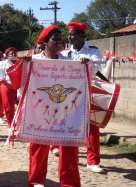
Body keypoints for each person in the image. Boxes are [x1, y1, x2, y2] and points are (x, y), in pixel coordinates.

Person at [26, 25, 80, 187]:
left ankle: (69, 183)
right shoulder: (34, 61)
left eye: (61, 39)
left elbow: (82, 79)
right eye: (55, 39)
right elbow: (18, 81)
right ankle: (36, 181)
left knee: (69, 146)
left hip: (64, 111)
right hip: (41, 110)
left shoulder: (69, 62)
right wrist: (22, 65)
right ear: (44, 44)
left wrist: (84, 65)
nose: (60, 42)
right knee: (39, 144)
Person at [62, 21, 104, 173]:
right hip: (67, 95)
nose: (69, 37)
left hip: (86, 92)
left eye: (72, 34)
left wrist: (89, 63)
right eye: (69, 34)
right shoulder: (65, 53)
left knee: (92, 126)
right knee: (64, 123)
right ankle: (62, 151)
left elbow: (98, 68)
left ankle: (93, 161)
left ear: (81, 36)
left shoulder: (93, 51)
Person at [0, 47, 17, 128]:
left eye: (14, 53)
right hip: (7, 86)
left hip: (18, 87)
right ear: (7, 55)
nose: (13, 54)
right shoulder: (4, 63)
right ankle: (11, 125)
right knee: (8, 106)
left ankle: (18, 123)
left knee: (19, 105)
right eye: (11, 54)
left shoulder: (20, 62)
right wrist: (2, 79)